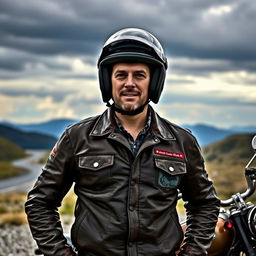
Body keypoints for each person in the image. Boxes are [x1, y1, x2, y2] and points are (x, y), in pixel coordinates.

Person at [25, 28, 220, 256]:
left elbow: (204, 204)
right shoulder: (77, 138)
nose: (129, 83)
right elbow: (40, 203)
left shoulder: (181, 141)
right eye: (121, 75)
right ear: (108, 81)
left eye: (139, 75)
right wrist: (61, 253)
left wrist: (192, 253)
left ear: (153, 82)